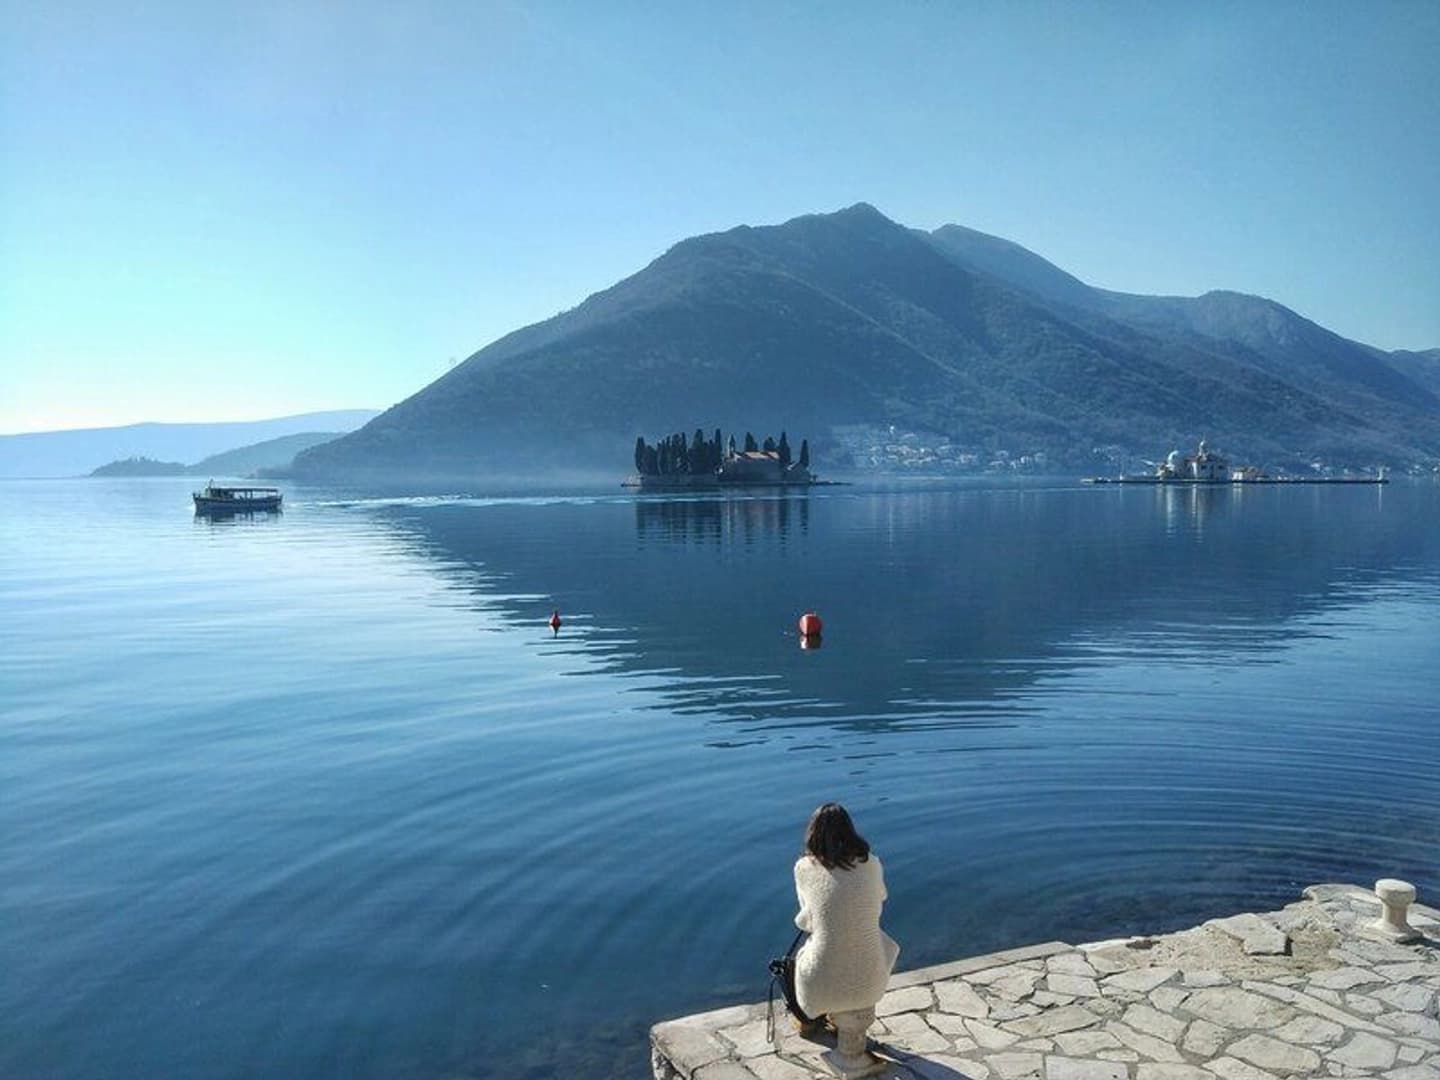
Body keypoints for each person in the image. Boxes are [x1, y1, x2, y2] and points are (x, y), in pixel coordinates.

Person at [792, 803, 899, 1030]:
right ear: (850, 831)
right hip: (872, 986)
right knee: (879, 941)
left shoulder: (804, 868)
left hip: (820, 986)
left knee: (809, 953)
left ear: (812, 834)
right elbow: (879, 901)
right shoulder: (872, 863)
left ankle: (811, 1022)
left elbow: (806, 921)